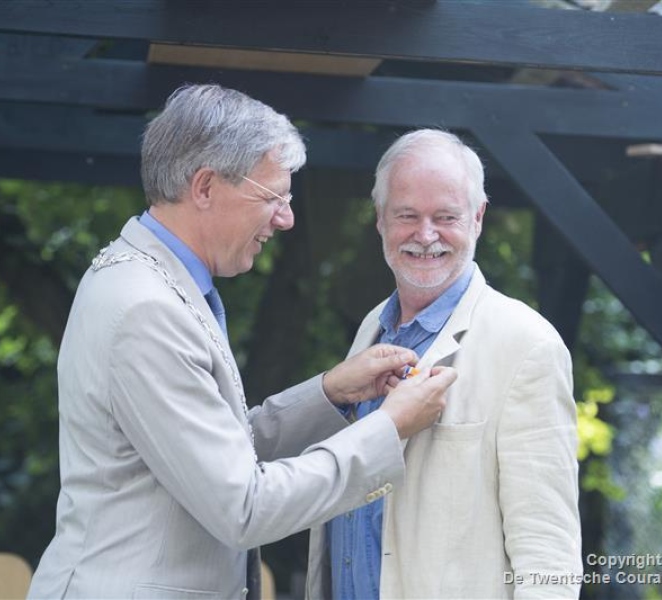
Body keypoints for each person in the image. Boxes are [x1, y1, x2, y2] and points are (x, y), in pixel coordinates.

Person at [27, 86, 458, 600]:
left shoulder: (148, 282)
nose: (286, 218)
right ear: (205, 187)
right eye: (273, 198)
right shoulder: (149, 309)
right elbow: (243, 506)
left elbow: (213, 452)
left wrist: (328, 394)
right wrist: (389, 427)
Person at [306, 129, 583, 599]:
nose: (426, 235)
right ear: (380, 220)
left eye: (446, 217)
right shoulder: (372, 327)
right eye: (407, 216)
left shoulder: (527, 343)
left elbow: (547, 548)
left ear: (478, 218)